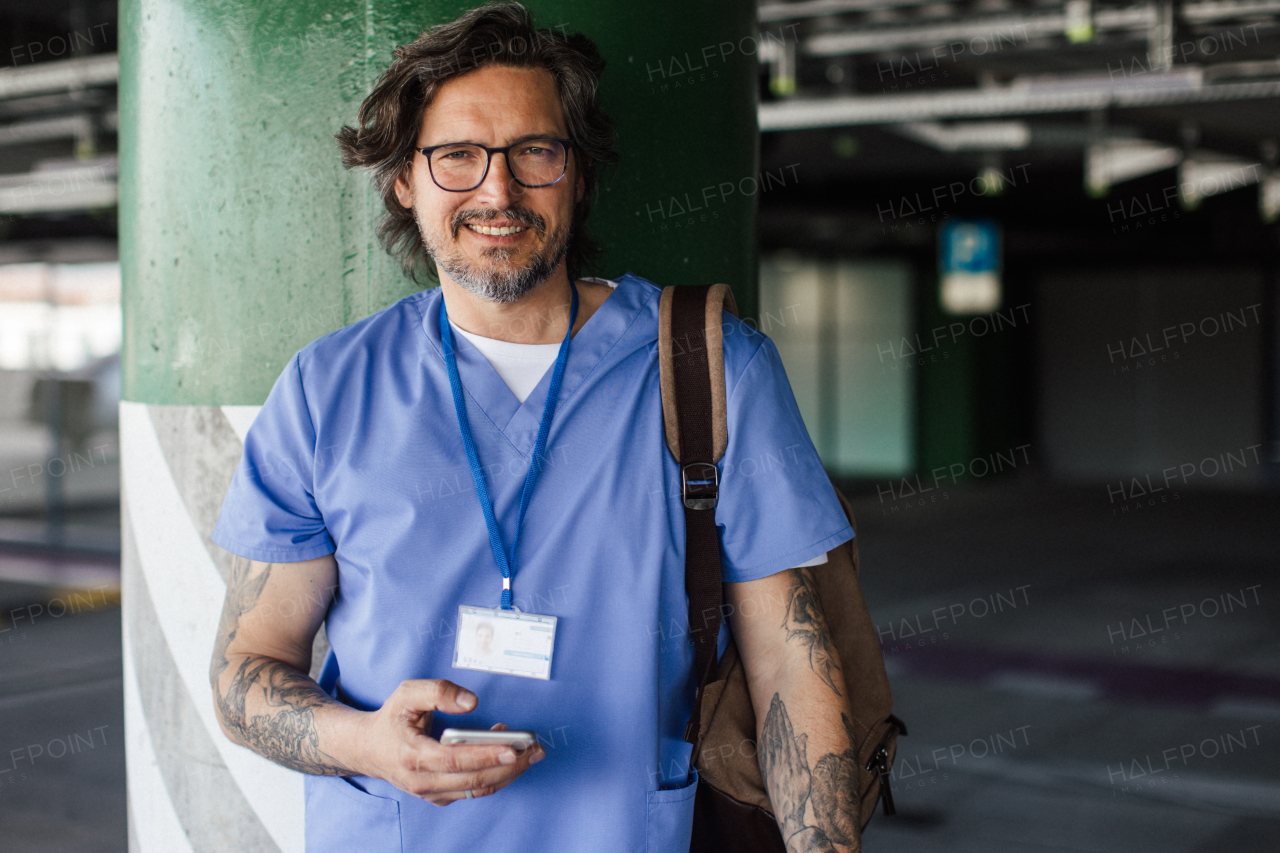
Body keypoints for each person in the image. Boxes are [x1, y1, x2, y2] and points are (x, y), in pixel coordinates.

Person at [208, 4, 861, 852]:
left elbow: (791, 664)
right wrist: (364, 741)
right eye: (457, 157)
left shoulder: (712, 370)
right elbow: (244, 672)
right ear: (405, 180)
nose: (498, 190)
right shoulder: (328, 389)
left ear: (579, 173)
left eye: (535, 152)